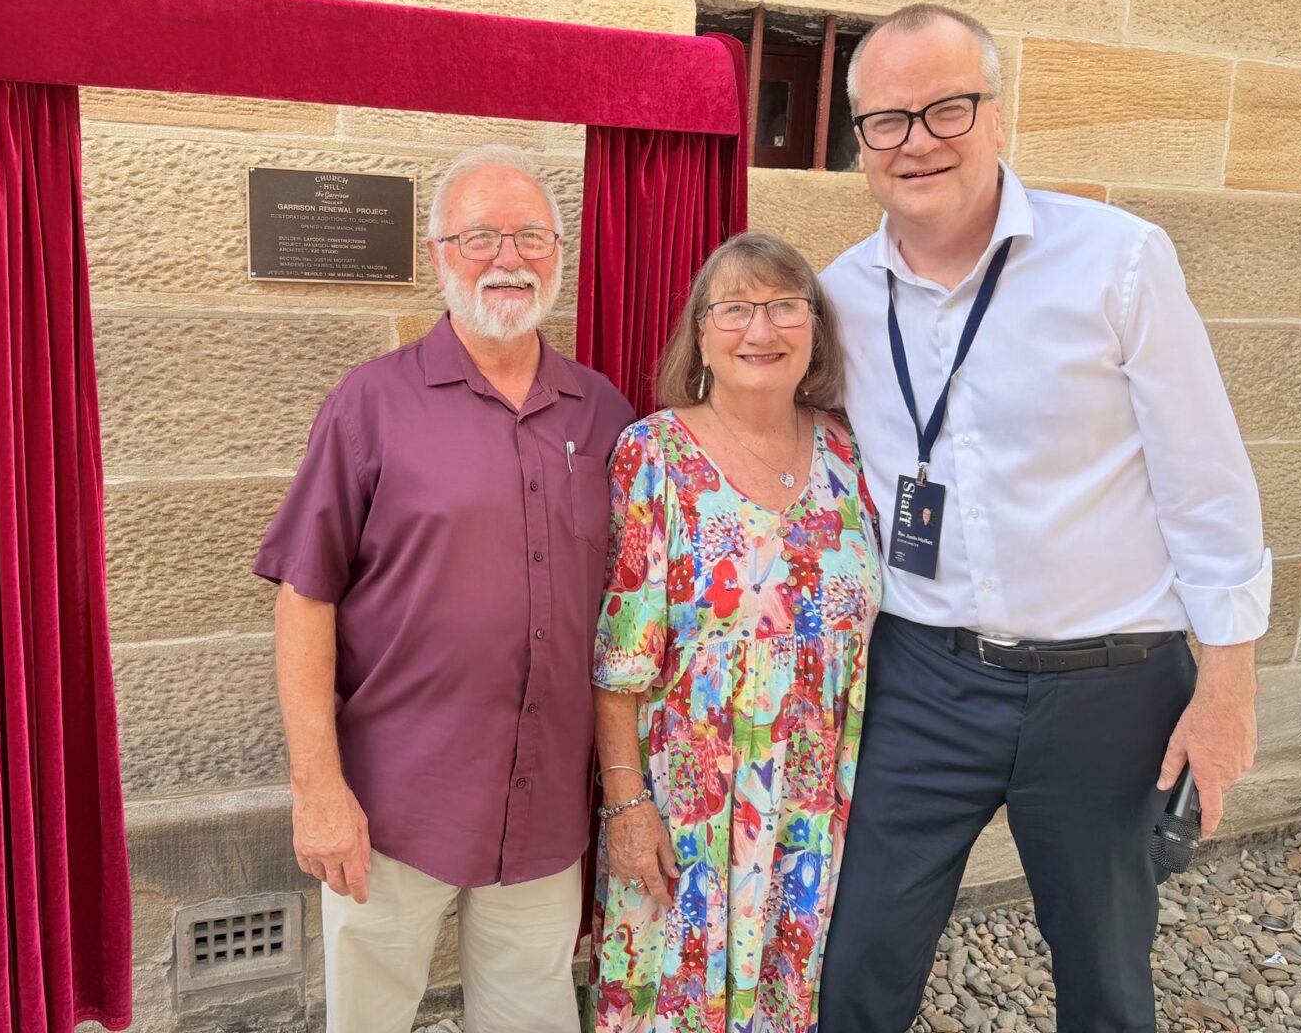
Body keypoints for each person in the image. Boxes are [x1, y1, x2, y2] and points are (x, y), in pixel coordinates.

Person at [817, 4, 1269, 1032]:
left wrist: (1228, 685)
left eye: (946, 109)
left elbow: (1204, 479)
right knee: (858, 963)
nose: (916, 141)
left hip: (1109, 687)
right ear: (861, 142)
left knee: (1106, 979)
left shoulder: (1118, 260)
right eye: (886, 120)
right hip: (923, 680)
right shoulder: (839, 297)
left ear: (996, 115)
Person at [253, 144, 635, 1033]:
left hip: (543, 808)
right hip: (392, 807)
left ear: (559, 252)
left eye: (530, 237)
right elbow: (304, 597)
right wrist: (317, 790)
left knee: (533, 1018)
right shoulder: (370, 405)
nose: (508, 258)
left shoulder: (604, 412)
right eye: (480, 237)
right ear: (438, 256)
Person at [590, 232, 883, 1031]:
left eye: (786, 307)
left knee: (792, 991)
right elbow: (618, 661)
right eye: (736, 310)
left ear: (815, 329)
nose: (761, 330)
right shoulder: (653, 454)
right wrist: (627, 806)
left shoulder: (852, 452)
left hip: (812, 803)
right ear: (701, 334)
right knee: (672, 1000)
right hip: (689, 804)